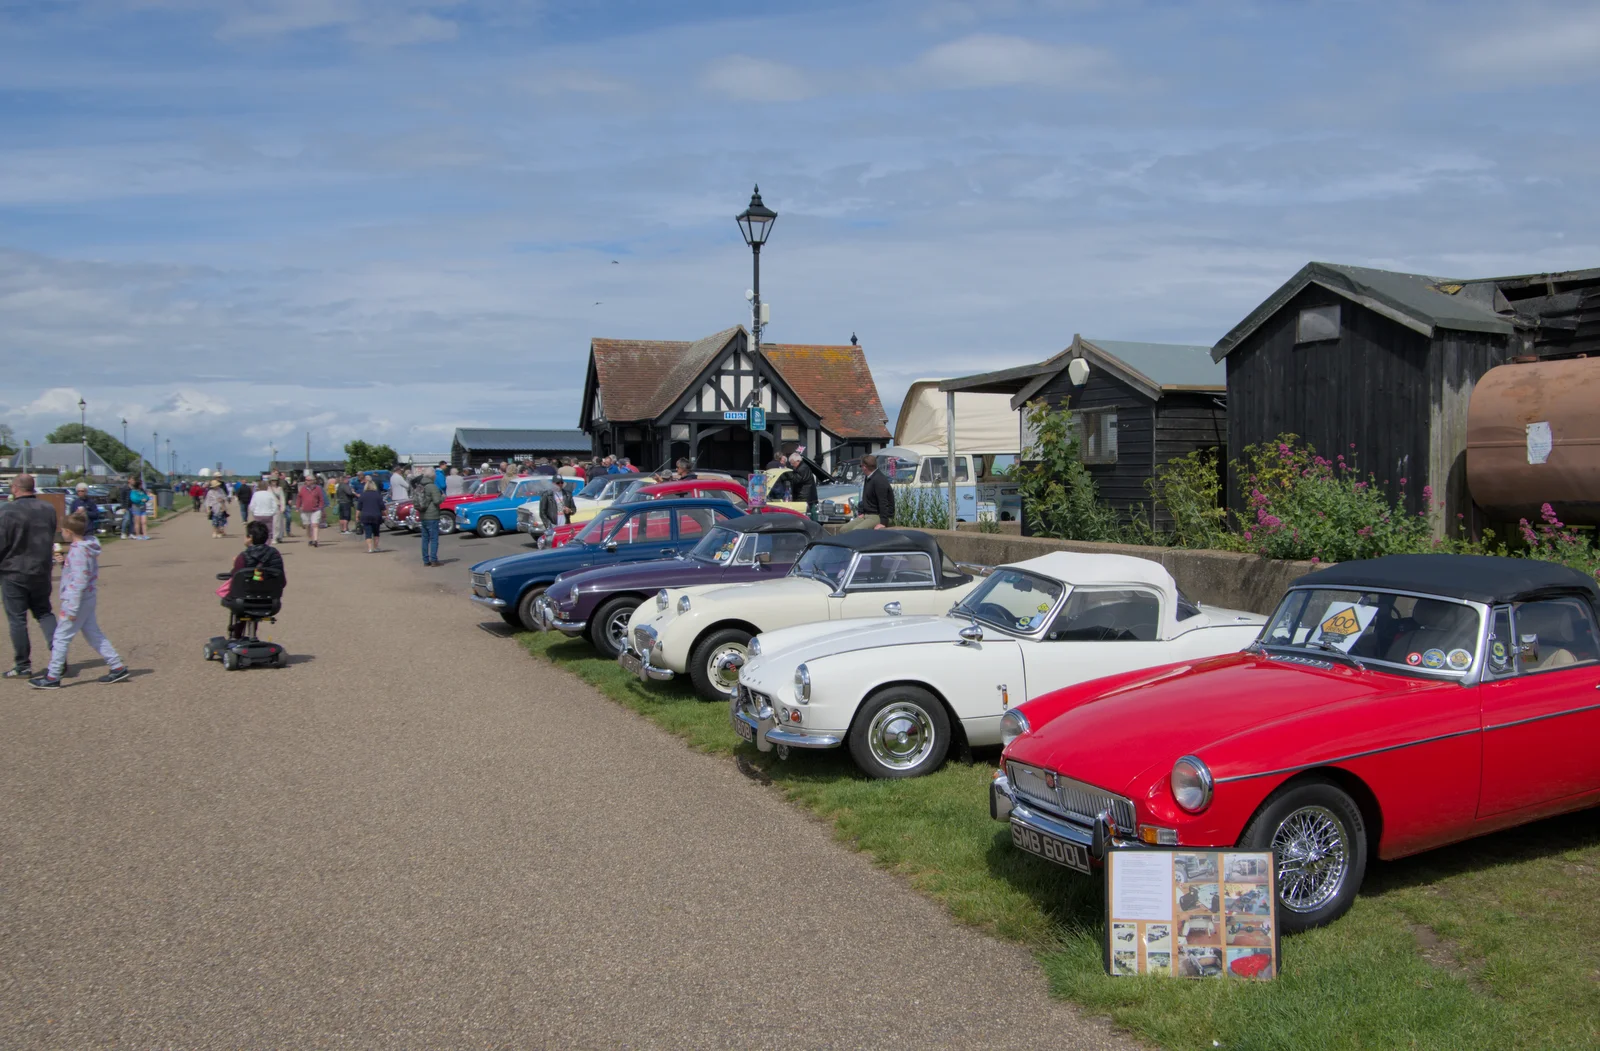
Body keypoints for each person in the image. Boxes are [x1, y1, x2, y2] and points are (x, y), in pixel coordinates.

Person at [28, 509, 130, 689]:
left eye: (64, 530)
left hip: (77, 600)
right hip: (87, 598)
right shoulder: (86, 547)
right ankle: (117, 665)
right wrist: (62, 563)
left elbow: (79, 581)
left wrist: (72, 608)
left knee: (60, 637)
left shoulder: (78, 552)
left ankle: (53, 676)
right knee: (93, 634)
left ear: (69, 531)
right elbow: (78, 574)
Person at [0, 474, 60, 680]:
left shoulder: (6, 511)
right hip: (41, 568)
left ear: (16, 488)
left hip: (13, 570)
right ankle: (59, 659)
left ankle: (22, 664)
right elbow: (52, 534)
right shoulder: (48, 509)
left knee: (17, 619)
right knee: (44, 613)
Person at [844, 454, 894, 531]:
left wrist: (883, 523)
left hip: (878, 516)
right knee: (844, 529)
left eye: (861, 466)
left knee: (856, 531)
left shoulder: (879, 480)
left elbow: (883, 502)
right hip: (867, 514)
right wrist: (862, 512)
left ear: (864, 467)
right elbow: (866, 499)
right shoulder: (869, 477)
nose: (861, 468)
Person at [412, 467, 443, 566]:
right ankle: (434, 559)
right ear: (433, 476)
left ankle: (426, 560)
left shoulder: (420, 485)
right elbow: (437, 501)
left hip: (423, 515)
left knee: (425, 539)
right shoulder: (432, 487)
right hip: (432, 515)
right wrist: (443, 498)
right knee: (434, 538)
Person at [537, 476, 573, 548]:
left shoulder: (567, 494)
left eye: (561, 483)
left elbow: (574, 509)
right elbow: (542, 512)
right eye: (558, 483)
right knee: (551, 546)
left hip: (565, 525)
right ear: (553, 483)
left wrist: (570, 510)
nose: (560, 484)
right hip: (553, 525)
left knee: (563, 545)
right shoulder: (547, 495)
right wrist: (548, 525)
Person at [297, 470, 326, 547]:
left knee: (315, 524)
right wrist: (297, 507)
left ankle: (315, 540)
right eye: (306, 480)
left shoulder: (318, 489)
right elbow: (299, 498)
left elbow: (321, 499)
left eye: (309, 480)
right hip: (305, 510)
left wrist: (321, 508)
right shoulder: (302, 488)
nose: (307, 481)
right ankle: (311, 538)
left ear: (313, 481)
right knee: (307, 526)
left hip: (315, 510)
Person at [356, 476, 385, 553]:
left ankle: (369, 548)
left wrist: (357, 517)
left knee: (368, 533)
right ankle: (376, 547)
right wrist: (386, 514)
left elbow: (359, 508)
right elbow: (382, 507)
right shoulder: (377, 495)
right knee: (376, 532)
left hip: (365, 516)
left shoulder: (363, 495)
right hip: (376, 515)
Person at [787, 451, 819, 518]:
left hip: (804, 497)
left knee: (805, 515)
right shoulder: (802, 467)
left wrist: (788, 474)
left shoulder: (802, 468)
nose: (792, 465)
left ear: (798, 461)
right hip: (805, 496)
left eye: (793, 463)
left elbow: (796, 480)